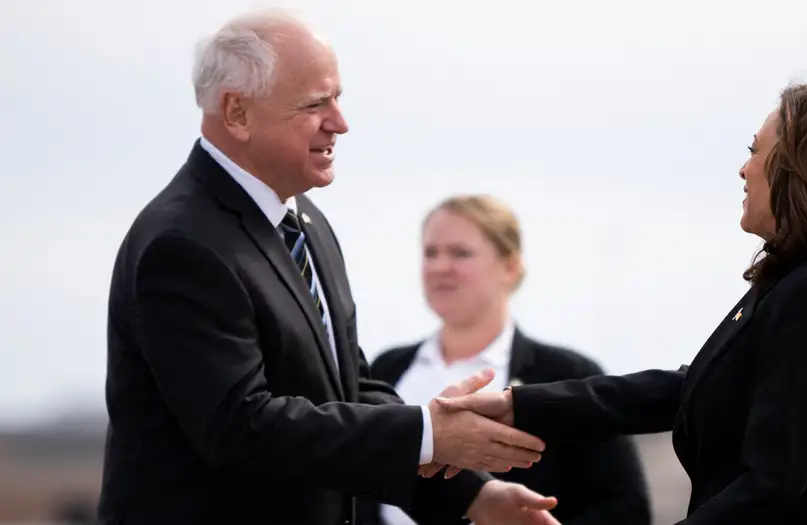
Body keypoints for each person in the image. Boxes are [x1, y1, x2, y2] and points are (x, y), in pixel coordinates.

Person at [97, 9, 560, 525]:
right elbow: (242, 428)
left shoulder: (304, 220)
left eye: (338, 98)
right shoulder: (183, 246)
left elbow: (347, 390)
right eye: (316, 104)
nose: (340, 122)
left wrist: (471, 495)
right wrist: (428, 433)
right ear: (237, 114)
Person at [433, 80, 807, 524]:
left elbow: (769, 487)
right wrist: (518, 406)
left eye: (757, 152)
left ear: (806, 170)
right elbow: (690, 388)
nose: (744, 169)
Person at [359, 195, 652, 525]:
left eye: (460, 252)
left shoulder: (567, 376)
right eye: (431, 253)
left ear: (510, 266)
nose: (440, 266)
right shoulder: (386, 369)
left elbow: (626, 508)